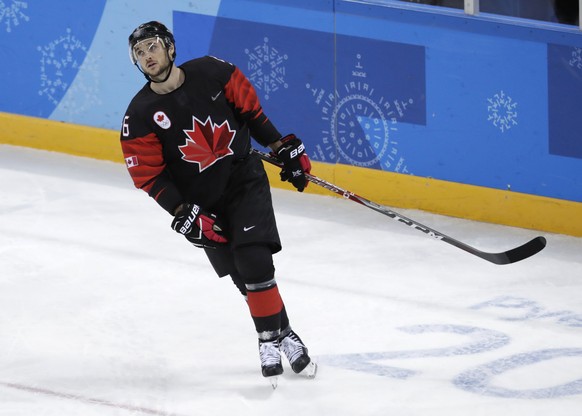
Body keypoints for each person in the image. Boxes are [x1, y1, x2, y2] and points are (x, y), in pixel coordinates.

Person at [119, 21, 316, 385]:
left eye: (152, 47)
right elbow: (149, 176)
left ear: (170, 48)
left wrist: (280, 148)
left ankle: (266, 339)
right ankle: (284, 333)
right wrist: (184, 214)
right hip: (201, 200)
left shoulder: (214, 72)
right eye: (140, 52)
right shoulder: (139, 116)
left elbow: (252, 115)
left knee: (254, 258)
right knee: (243, 277)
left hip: (243, 179)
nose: (148, 56)